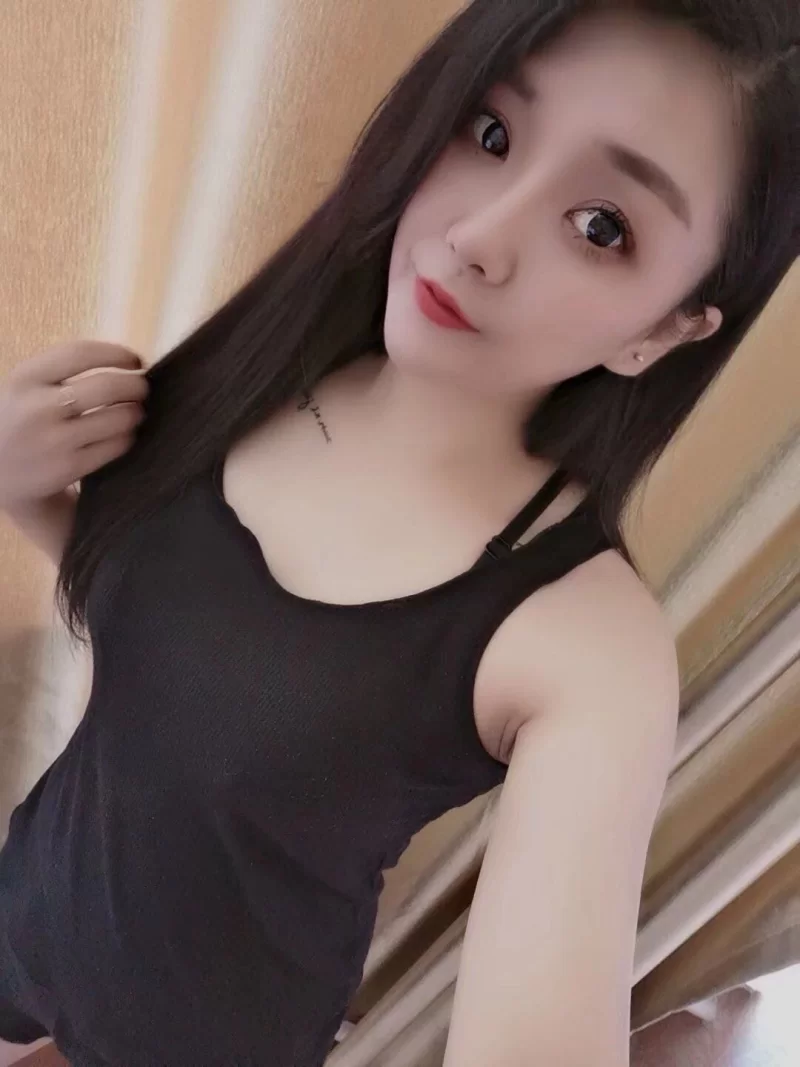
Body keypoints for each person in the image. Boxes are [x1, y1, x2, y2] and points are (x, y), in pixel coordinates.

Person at [0, 1, 798, 1064]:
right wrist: (25, 492)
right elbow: (181, 640)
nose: (477, 237)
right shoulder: (268, 361)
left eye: (601, 226)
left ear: (664, 328)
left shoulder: (580, 640)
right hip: (27, 905)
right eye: (492, 133)